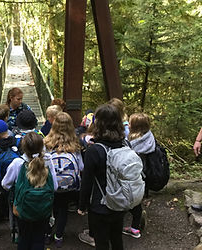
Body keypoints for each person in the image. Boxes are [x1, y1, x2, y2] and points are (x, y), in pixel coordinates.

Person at [78, 104, 126, 250]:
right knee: (117, 238)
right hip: (120, 201)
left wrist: (82, 205)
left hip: (100, 203)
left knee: (102, 242)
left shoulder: (95, 150)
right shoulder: (125, 144)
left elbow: (87, 181)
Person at [2, 132, 58, 249]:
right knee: (39, 238)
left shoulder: (18, 163)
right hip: (44, 208)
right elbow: (55, 186)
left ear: (23, 148)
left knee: (24, 237)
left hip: (23, 209)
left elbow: (5, 184)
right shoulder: (48, 161)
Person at [43, 112, 84, 247]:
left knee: (49, 208)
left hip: (50, 183)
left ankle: (47, 234)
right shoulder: (75, 144)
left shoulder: (47, 143)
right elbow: (81, 166)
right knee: (62, 209)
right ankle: (59, 236)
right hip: (67, 185)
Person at [122, 113, 154, 238]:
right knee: (137, 201)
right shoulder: (149, 138)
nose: (127, 125)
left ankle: (122, 224)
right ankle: (135, 227)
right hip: (144, 175)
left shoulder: (131, 142)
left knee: (128, 200)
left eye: (129, 123)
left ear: (134, 127)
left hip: (133, 175)